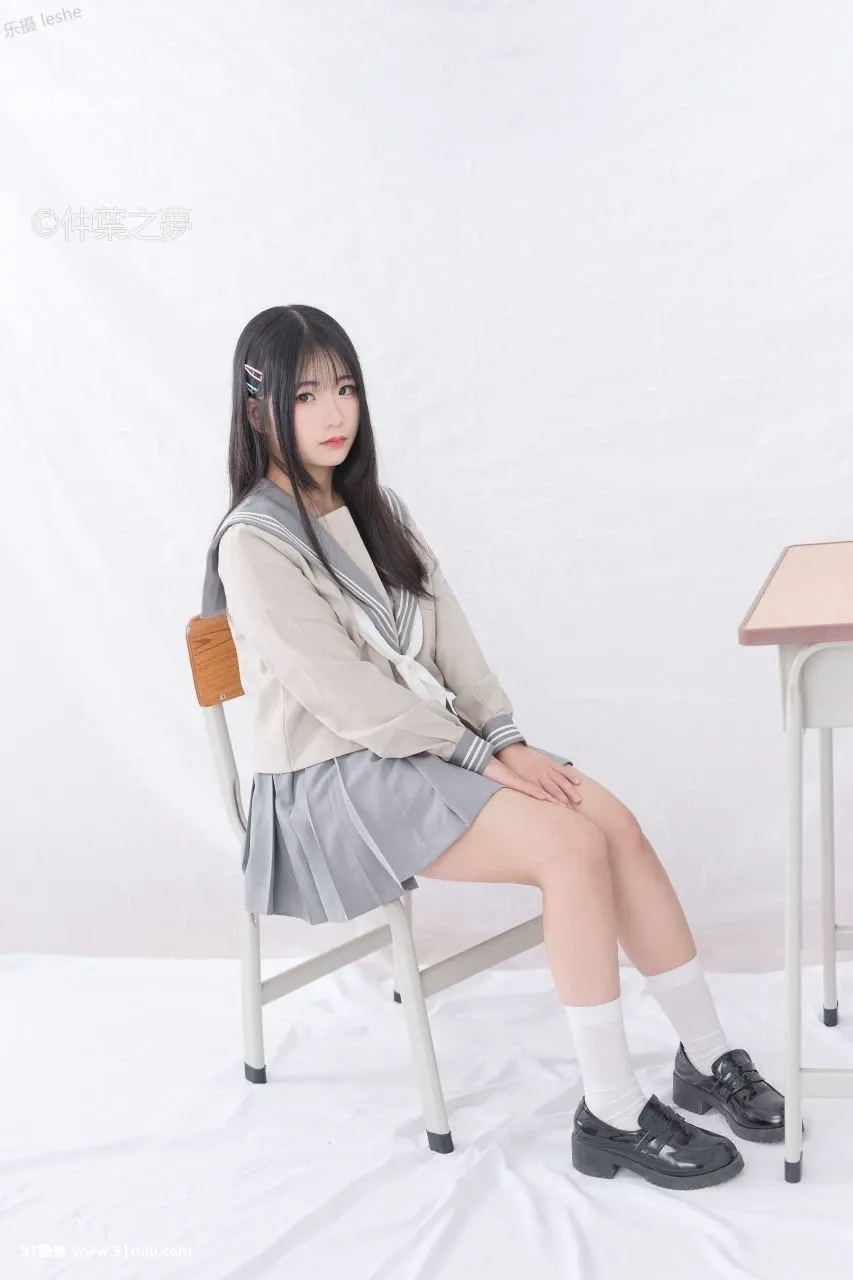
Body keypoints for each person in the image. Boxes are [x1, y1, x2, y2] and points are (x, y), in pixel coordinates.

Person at [201, 303, 789, 1192]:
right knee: (569, 846)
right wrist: (481, 758)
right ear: (258, 408)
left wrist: (505, 739)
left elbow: (454, 647)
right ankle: (609, 1110)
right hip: (327, 783)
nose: (334, 412)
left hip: (423, 749)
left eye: (345, 388)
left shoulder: (377, 510)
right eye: (307, 394)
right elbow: (346, 698)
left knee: (611, 822)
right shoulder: (254, 542)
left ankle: (704, 1056)